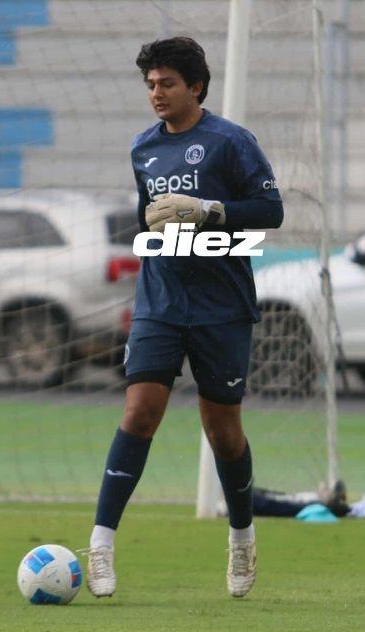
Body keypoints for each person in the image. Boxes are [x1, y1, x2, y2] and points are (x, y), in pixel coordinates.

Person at [86, 37, 283, 599]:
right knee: (140, 411)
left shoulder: (230, 143)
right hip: (161, 302)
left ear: (195, 86)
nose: (156, 93)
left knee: (223, 432)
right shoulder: (142, 149)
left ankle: (242, 537)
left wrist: (210, 211)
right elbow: (150, 222)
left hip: (221, 306)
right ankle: (100, 545)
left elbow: (270, 211)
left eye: (167, 83)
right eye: (150, 84)